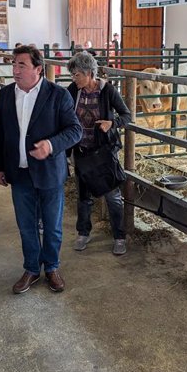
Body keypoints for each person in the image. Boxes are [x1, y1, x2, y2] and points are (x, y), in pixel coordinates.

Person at [0, 45, 81, 294]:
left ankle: (52, 267)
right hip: (19, 172)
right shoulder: (7, 94)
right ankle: (32, 268)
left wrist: (51, 145)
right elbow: (1, 132)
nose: (15, 69)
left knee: (52, 224)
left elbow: (74, 131)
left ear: (38, 69)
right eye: (14, 64)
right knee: (26, 225)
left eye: (22, 65)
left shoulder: (57, 95)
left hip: (49, 173)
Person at [66, 51, 131, 255]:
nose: (73, 78)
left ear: (88, 73)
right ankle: (83, 233)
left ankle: (119, 236)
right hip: (82, 151)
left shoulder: (108, 91)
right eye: (73, 75)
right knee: (83, 196)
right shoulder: (73, 90)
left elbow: (127, 116)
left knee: (112, 196)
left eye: (76, 74)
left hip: (103, 152)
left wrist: (112, 123)